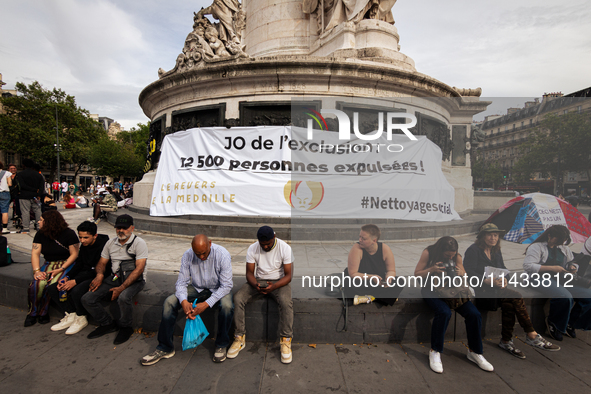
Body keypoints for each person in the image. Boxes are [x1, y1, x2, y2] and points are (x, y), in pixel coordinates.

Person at [464, 223, 559, 358]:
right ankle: (531, 334)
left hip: (497, 288)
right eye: (490, 235)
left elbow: (504, 268)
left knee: (509, 304)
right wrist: (486, 281)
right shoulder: (473, 250)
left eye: (496, 235)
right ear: (482, 237)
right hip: (481, 290)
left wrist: (505, 279)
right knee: (516, 296)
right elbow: (468, 273)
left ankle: (506, 341)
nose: (493, 238)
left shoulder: (496, 250)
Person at [141, 234, 234, 366]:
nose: (201, 257)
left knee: (227, 306)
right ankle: (165, 348)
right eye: (197, 254)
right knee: (169, 302)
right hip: (197, 288)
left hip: (218, 289)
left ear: (210, 244)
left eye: (204, 253)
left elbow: (226, 286)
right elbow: (181, 283)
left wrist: (207, 304)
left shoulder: (222, 254)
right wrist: (184, 301)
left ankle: (221, 344)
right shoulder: (188, 255)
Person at [414, 236, 493, 374]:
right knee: (444, 312)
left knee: (474, 314)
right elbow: (417, 274)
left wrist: (462, 273)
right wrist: (432, 269)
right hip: (431, 289)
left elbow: (465, 275)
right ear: (440, 250)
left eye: (452, 255)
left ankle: (475, 351)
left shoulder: (457, 257)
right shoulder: (428, 252)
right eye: (447, 255)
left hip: (452, 289)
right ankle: (435, 351)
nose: (450, 257)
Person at [228, 225, 294, 364]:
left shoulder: (285, 248)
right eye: (262, 244)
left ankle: (286, 340)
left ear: (274, 238)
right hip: (259, 281)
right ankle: (239, 338)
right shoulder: (253, 248)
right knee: (238, 298)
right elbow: (249, 274)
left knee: (286, 302)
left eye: (268, 244)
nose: (265, 247)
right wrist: (255, 284)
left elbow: (289, 276)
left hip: (279, 282)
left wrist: (274, 286)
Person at [81, 214, 148, 345]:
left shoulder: (139, 243)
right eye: (118, 227)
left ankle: (125, 327)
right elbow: (102, 263)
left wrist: (121, 288)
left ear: (132, 228)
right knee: (87, 298)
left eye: (124, 228)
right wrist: (99, 275)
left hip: (135, 279)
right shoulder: (110, 243)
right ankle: (107, 323)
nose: (121, 230)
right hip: (115, 277)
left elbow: (139, 269)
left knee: (123, 297)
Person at [523, 225, 591, 341]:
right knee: (565, 296)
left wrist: (573, 266)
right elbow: (528, 266)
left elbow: (572, 262)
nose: (559, 243)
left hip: (561, 278)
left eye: (562, 241)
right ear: (549, 236)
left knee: (588, 295)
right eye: (557, 240)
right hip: (538, 277)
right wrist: (552, 268)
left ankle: (571, 323)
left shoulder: (564, 248)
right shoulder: (536, 247)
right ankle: (554, 323)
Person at [47, 221, 110, 335]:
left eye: (86, 237)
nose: (82, 240)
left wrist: (75, 281)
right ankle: (71, 314)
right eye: (80, 237)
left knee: (77, 291)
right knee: (53, 288)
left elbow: (96, 269)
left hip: (97, 275)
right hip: (83, 273)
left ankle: (81, 317)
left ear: (95, 236)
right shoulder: (85, 245)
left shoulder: (104, 246)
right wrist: (67, 277)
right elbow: (79, 263)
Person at [25, 210, 79, 327]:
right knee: (37, 284)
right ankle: (32, 312)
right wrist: (37, 271)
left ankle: (43, 312)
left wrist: (61, 269)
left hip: (66, 264)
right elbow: (35, 253)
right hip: (49, 264)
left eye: (41, 220)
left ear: (48, 222)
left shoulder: (69, 234)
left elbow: (74, 254)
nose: (38, 222)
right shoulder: (40, 234)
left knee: (52, 284)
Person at [345, 224, 398, 305]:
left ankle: (369, 297)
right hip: (362, 280)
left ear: (374, 240)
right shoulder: (357, 248)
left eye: (364, 238)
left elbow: (391, 270)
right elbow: (352, 273)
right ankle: (383, 297)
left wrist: (389, 277)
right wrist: (371, 277)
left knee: (399, 281)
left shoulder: (385, 249)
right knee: (349, 282)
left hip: (378, 281)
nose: (360, 240)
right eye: (360, 237)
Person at [15, 159, 44, 234]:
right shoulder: (38, 175)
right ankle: (38, 225)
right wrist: (38, 194)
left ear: (24, 165)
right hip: (35, 196)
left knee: (25, 211)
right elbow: (41, 187)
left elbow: (21, 185)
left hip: (24, 195)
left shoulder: (20, 174)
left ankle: (26, 227)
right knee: (37, 210)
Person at [0, 161, 13, 234]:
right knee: (4, 211)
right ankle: (4, 228)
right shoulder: (6, 173)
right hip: (4, 193)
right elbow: (10, 184)